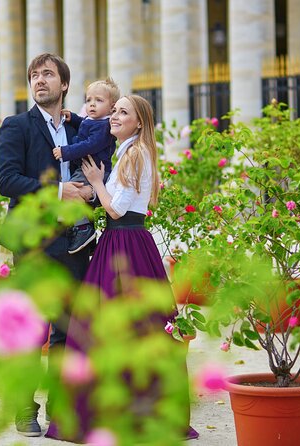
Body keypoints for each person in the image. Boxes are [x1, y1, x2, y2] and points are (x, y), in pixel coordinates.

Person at [45, 95, 199, 442]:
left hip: (125, 244)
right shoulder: (129, 152)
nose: (113, 116)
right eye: (114, 111)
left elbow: (115, 210)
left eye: (122, 112)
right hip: (124, 242)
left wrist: (97, 182)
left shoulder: (134, 155)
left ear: (139, 122)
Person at [0, 53, 94, 437]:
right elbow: (7, 179)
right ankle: (23, 410)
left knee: (67, 328)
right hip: (35, 241)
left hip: (77, 241)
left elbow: (99, 168)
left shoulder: (81, 129)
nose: (40, 80)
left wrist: (91, 193)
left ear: (64, 84)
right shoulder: (16, 126)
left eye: (48, 74)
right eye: (34, 75)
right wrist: (58, 191)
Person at [52, 78, 119, 254]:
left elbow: (89, 145)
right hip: (86, 168)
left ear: (112, 106)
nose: (92, 104)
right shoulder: (95, 121)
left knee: (73, 194)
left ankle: (83, 229)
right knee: (77, 199)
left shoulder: (105, 127)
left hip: (92, 169)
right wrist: (73, 118)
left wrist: (65, 152)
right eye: (88, 100)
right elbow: (84, 124)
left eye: (98, 100)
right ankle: (88, 241)